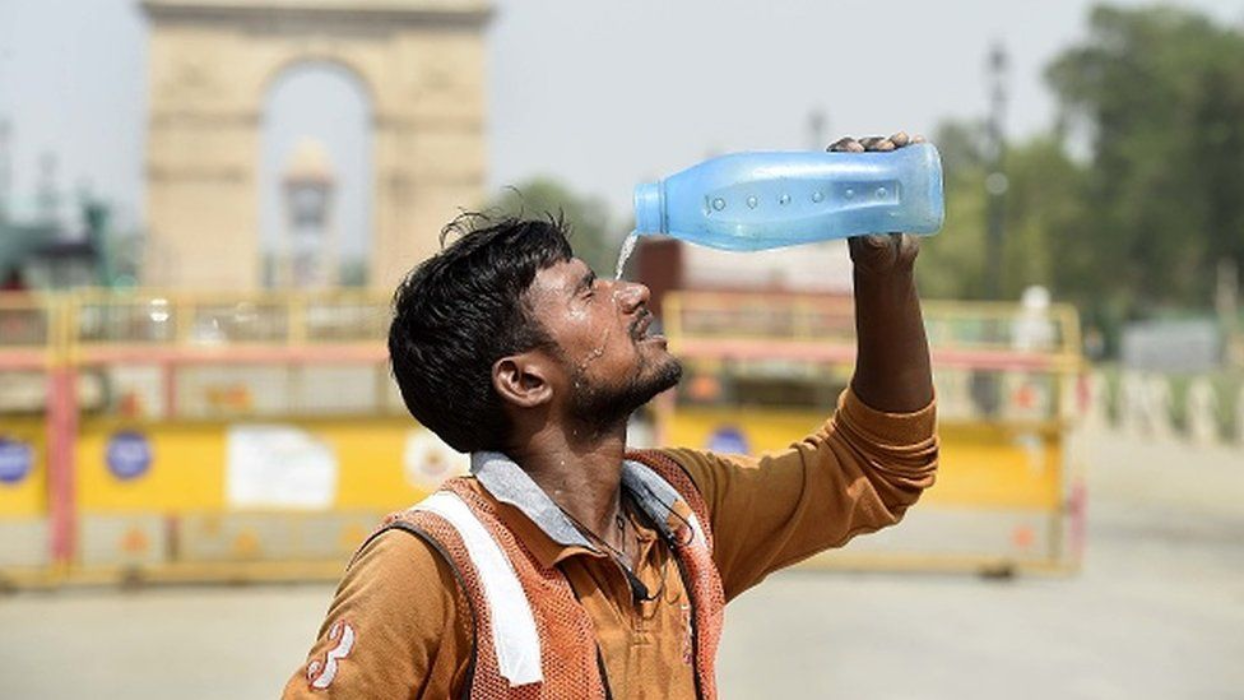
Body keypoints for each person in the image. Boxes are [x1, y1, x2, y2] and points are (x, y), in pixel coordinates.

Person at [284, 133, 939, 699]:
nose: (634, 292)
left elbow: (877, 465)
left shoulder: (681, 514)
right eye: (587, 291)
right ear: (523, 379)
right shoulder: (431, 567)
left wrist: (884, 272)